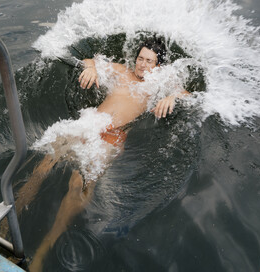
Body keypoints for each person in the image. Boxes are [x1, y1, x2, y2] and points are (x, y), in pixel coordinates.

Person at [17, 39, 189, 271]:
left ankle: (44, 249)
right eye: (140, 58)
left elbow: (186, 94)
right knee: (44, 165)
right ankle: (9, 220)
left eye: (149, 61)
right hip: (89, 124)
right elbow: (91, 61)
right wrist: (89, 68)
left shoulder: (160, 85)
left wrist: (172, 98)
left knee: (77, 185)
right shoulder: (122, 71)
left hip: (112, 138)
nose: (142, 65)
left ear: (158, 65)